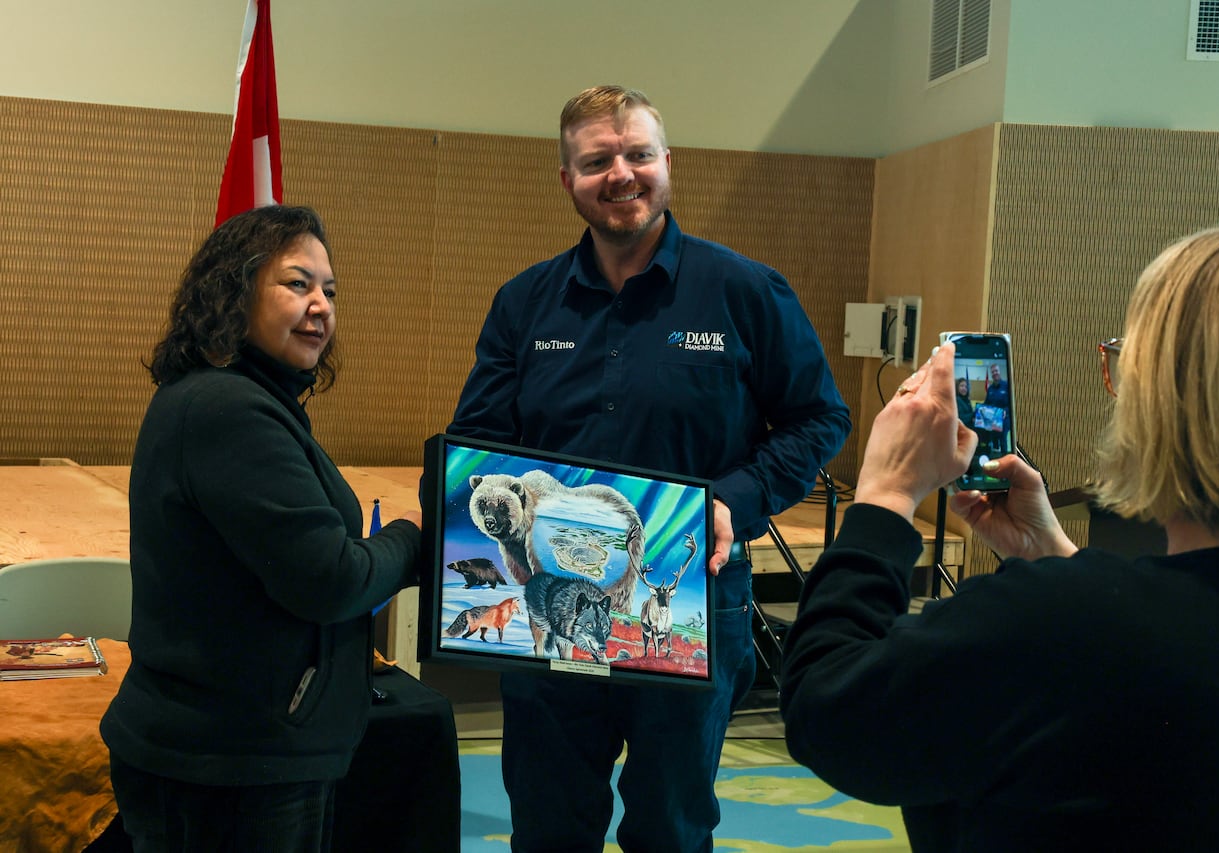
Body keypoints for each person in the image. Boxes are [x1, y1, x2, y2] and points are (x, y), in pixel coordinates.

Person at [779, 220, 1219, 851]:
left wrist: (885, 496)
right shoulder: (1082, 614)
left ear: (1169, 399)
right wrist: (1057, 559)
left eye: (1125, 359)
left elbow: (829, 713)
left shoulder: (1057, 620)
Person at [448, 85, 851, 851]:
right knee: (547, 823)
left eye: (637, 154)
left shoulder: (744, 291)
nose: (621, 174)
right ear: (567, 178)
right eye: (597, 160)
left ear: (669, 162)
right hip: (549, 603)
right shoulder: (524, 303)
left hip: (690, 596)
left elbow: (820, 417)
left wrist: (734, 499)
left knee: (672, 825)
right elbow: (478, 437)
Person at [100, 205, 425, 853]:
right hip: (230, 767)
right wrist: (413, 535)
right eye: (297, 284)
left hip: (235, 753)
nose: (321, 306)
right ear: (235, 291)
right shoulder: (229, 409)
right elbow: (330, 579)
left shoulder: (237, 396)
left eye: (330, 290)